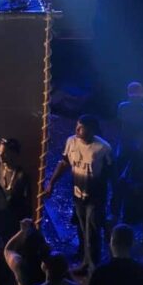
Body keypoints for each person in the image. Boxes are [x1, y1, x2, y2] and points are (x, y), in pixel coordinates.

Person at [44, 113, 112, 271]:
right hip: (78, 195)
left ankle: (93, 266)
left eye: (82, 127)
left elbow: (111, 174)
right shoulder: (71, 142)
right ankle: (84, 259)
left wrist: (113, 202)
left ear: (92, 130)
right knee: (82, 228)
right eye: (77, 125)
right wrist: (51, 183)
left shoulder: (103, 149)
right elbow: (64, 163)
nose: (77, 129)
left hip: (95, 198)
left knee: (92, 231)